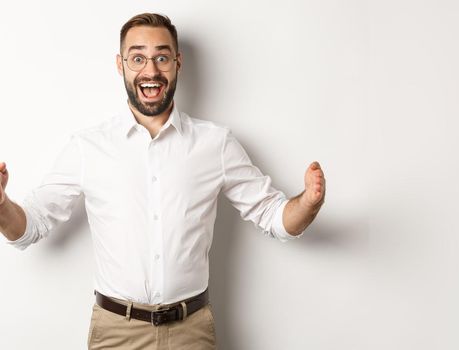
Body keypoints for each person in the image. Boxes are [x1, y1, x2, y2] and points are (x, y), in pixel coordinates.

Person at [0, 13, 325, 350]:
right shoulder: (88, 147)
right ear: (120, 64)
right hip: (116, 333)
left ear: (177, 63)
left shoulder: (216, 144)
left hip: (191, 332)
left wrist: (307, 203)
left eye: (162, 57)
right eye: (138, 58)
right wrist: (1, 205)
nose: (151, 70)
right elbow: (31, 226)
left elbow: (273, 216)